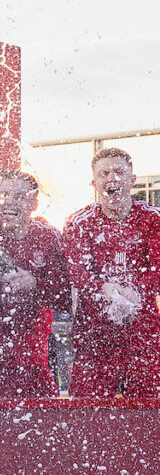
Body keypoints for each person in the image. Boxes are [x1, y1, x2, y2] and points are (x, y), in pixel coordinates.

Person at [63, 148, 160, 397]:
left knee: (146, 418)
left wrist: (135, 289)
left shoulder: (152, 220)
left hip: (142, 340)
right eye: (104, 173)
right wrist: (103, 289)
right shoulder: (79, 222)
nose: (112, 178)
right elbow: (77, 272)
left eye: (119, 172)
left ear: (132, 179)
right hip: (94, 342)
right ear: (94, 183)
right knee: (86, 418)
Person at [0, 168, 71, 398]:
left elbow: (66, 298)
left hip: (34, 360)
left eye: (18, 196)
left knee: (45, 427)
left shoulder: (48, 237)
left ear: (34, 203)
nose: (8, 202)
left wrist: (36, 283)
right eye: (3, 195)